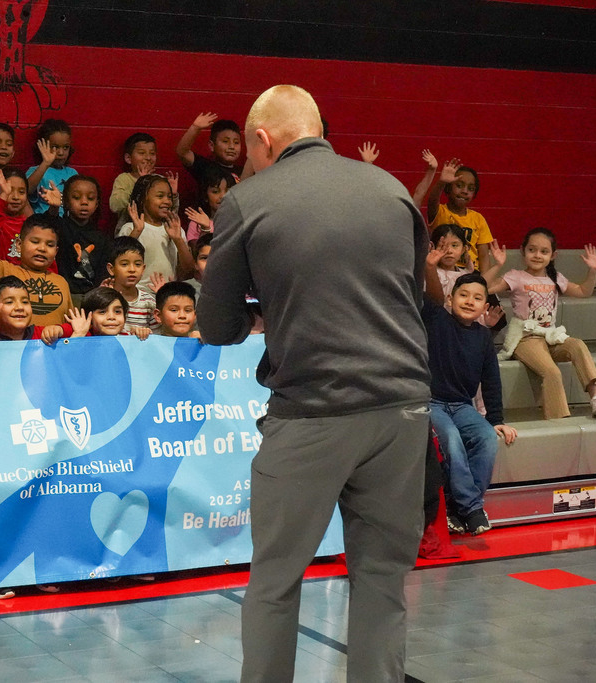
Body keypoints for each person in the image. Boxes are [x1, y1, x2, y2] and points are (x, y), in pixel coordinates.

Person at [197, 84, 432, 682]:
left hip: (312, 412)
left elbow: (217, 326)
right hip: (403, 407)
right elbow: (408, 294)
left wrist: (266, 307)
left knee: (276, 580)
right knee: (381, 579)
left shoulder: (249, 199)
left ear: (262, 139)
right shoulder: (393, 189)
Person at [423, 253, 518, 535]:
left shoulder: (482, 338)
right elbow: (432, 298)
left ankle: (457, 507)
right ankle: (472, 508)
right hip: (433, 404)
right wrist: (430, 266)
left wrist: (496, 419)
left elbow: (491, 381)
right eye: (462, 295)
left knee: (487, 438)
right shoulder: (437, 320)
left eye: (477, 298)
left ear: (484, 306)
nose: (469, 301)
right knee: (451, 440)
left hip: (462, 406)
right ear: (450, 300)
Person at [486, 228, 596, 419]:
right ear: (522, 251)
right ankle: (559, 421)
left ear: (553, 255)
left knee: (577, 345)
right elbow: (484, 287)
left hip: (550, 336)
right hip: (526, 339)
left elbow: (584, 291)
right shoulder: (515, 275)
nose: (537, 255)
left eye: (544, 251)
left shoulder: (555, 278)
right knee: (552, 372)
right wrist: (497, 265)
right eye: (532, 250)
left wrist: (592, 271)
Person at [0, 184, 72, 326]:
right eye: (35, 242)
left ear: (56, 251)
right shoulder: (5, 271)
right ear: (19, 244)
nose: (42, 249)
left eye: (49, 245)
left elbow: (69, 325)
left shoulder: (61, 282)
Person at [40, 175, 111, 304]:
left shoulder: (101, 237)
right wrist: (54, 208)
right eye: (77, 197)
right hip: (62, 294)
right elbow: (46, 227)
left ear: (96, 204)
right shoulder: (61, 227)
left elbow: (103, 270)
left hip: (91, 296)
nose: (84, 202)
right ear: (66, 201)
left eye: (90, 198)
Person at [116, 175, 194, 291]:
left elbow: (189, 269)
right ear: (143, 199)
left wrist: (178, 239)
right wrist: (137, 231)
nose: (167, 201)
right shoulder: (130, 228)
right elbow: (120, 260)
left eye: (169, 197)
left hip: (167, 294)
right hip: (137, 294)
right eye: (160, 196)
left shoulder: (175, 230)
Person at [426, 160, 493, 273]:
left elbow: (484, 256)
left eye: (470, 188)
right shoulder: (440, 211)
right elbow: (432, 201)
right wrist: (441, 182)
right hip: (442, 269)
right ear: (448, 188)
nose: (465, 191)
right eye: (459, 185)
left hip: (470, 272)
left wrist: (484, 283)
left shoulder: (478, 219)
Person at [0, 278, 80, 343]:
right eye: (9, 302)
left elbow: (84, 334)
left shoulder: (39, 334)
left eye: (25, 302)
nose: (19, 307)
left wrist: (59, 329)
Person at [104, 236, 157, 333]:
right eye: (124, 264)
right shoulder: (103, 300)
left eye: (137, 264)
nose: (132, 270)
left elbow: (156, 337)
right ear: (111, 269)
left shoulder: (149, 302)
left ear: (143, 269)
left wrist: (146, 334)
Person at [0, 168, 33, 266]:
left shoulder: (29, 225)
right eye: (9, 192)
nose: (16, 197)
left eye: (21, 192)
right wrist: (2, 198)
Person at [26, 119, 77, 215]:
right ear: (42, 146)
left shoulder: (72, 173)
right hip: (44, 222)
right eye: (55, 147)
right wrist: (45, 163)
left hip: (67, 223)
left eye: (66, 147)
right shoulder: (36, 171)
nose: (61, 153)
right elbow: (26, 190)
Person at [175, 112, 242, 185]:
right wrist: (195, 128)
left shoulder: (243, 171)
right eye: (225, 141)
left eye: (236, 142)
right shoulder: (205, 167)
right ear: (211, 146)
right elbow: (182, 152)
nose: (232, 147)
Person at [110, 132, 158, 230]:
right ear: (128, 158)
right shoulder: (124, 179)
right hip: (129, 230)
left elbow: (171, 210)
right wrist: (140, 184)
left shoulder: (159, 180)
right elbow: (115, 205)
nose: (148, 158)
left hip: (154, 230)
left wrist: (173, 196)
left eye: (152, 153)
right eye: (141, 153)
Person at [79, 286, 150, 338]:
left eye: (117, 312)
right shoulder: (81, 336)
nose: (111, 317)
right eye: (102, 312)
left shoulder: (130, 338)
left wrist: (142, 336)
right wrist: (78, 335)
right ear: (88, 317)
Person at [183, 165, 231, 242]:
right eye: (215, 192)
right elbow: (196, 251)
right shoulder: (196, 223)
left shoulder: (237, 222)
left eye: (228, 191)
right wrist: (205, 228)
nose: (223, 196)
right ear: (205, 196)